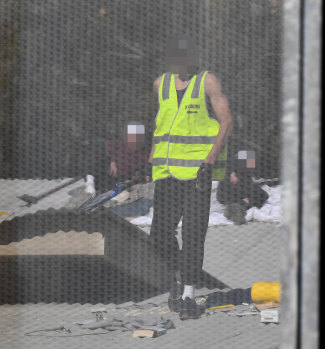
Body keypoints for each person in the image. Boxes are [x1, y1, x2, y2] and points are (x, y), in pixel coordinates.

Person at [149, 34, 232, 320]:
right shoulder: (161, 84)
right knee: (159, 235)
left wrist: (210, 158)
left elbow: (226, 121)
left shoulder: (208, 81)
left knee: (193, 235)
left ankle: (188, 295)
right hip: (167, 172)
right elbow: (161, 123)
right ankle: (175, 280)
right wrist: (150, 156)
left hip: (198, 172)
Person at [84, 121, 150, 194]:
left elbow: (141, 172)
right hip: (105, 166)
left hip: (116, 178)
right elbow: (105, 147)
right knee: (97, 147)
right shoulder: (120, 144)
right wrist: (112, 161)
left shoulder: (144, 155)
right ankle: (90, 181)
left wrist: (136, 176)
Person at [216, 150, 268, 225]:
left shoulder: (245, 179)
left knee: (261, 195)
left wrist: (248, 201)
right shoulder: (226, 180)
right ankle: (235, 211)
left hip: (244, 192)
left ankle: (237, 210)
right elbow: (221, 198)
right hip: (234, 196)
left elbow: (263, 195)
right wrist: (242, 201)